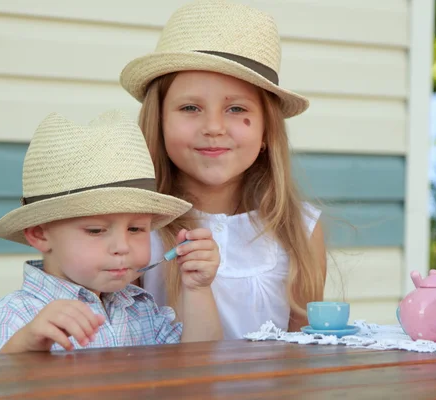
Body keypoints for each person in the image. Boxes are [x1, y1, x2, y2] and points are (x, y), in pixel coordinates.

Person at [119, 0, 327, 339]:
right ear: (159, 122)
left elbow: (303, 358)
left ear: (266, 132)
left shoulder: (299, 231)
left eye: (235, 108)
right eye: (190, 107)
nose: (214, 126)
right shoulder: (136, 228)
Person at [0, 109, 222, 355]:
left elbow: (197, 363)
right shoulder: (17, 313)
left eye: (135, 228)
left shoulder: (140, 308)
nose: (122, 246)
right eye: (96, 230)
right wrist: (25, 345)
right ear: (40, 235)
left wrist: (197, 289)